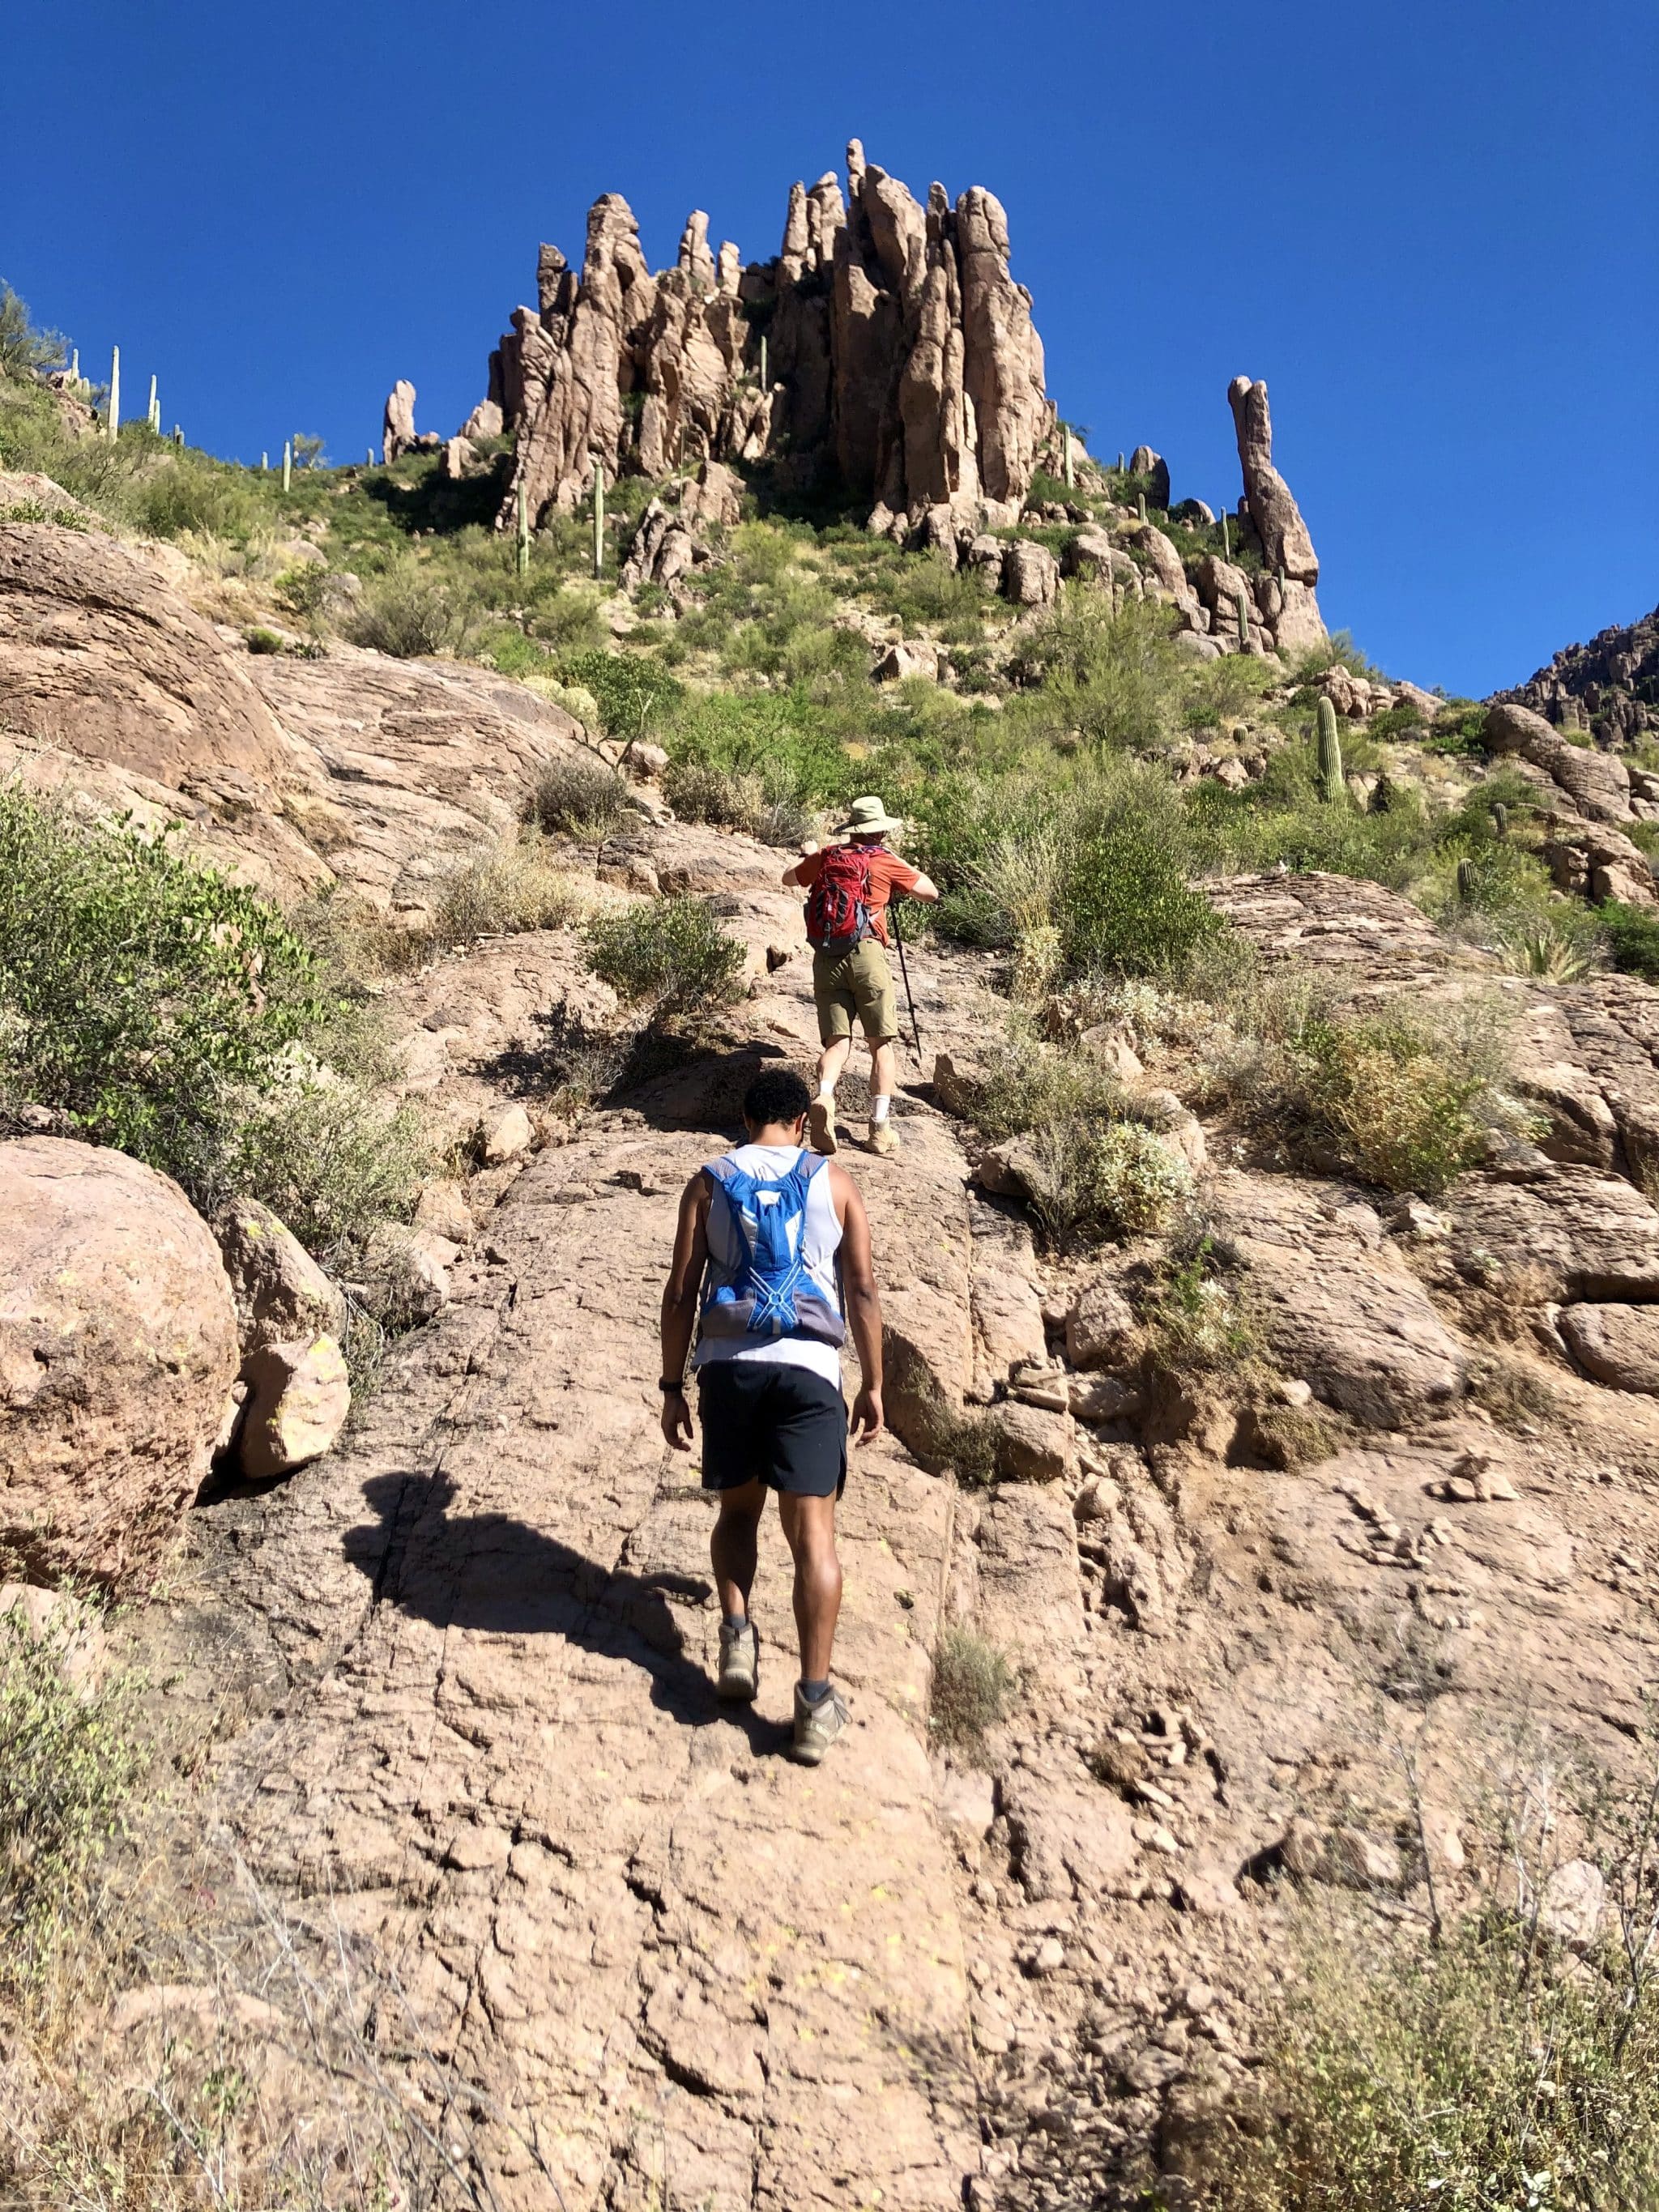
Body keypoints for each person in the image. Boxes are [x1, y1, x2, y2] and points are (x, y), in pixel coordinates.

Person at [659, 1066, 885, 1765]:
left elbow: (680, 1290)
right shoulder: (835, 1181)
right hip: (809, 1372)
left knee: (737, 1513)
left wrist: (672, 1383)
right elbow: (863, 1288)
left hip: (729, 1367)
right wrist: (874, 1383)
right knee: (814, 1537)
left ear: (747, 1119)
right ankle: (814, 1702)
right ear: (799, 1121)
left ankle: (736, 1637)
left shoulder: (708, 1179)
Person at [781, 795, 940, 1160]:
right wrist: (898, 873)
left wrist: (809, 856)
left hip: (826, 955)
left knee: (837, 1041)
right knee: (880, 1044)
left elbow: (788, 879)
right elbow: (930, 892)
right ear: (881, 830)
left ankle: (824, 1094)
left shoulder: (828, 856)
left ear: (853, 829)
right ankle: (879, 1130)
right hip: (867, 954)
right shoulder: (885, 860)